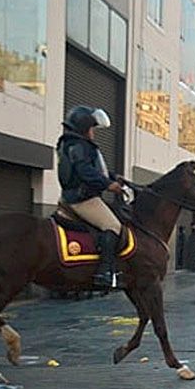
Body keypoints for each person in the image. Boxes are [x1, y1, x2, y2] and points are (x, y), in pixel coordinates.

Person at [56, 105, 124, 288]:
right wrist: (108, 185)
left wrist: (112, 176)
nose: (94, 132)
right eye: (92, 128)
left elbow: (94, 169)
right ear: (84, 128)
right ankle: (105, 271)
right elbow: (85, 171)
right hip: (82, 199)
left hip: (74, 196)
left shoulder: (73, 144)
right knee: (113, 225)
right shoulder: (78, 145)